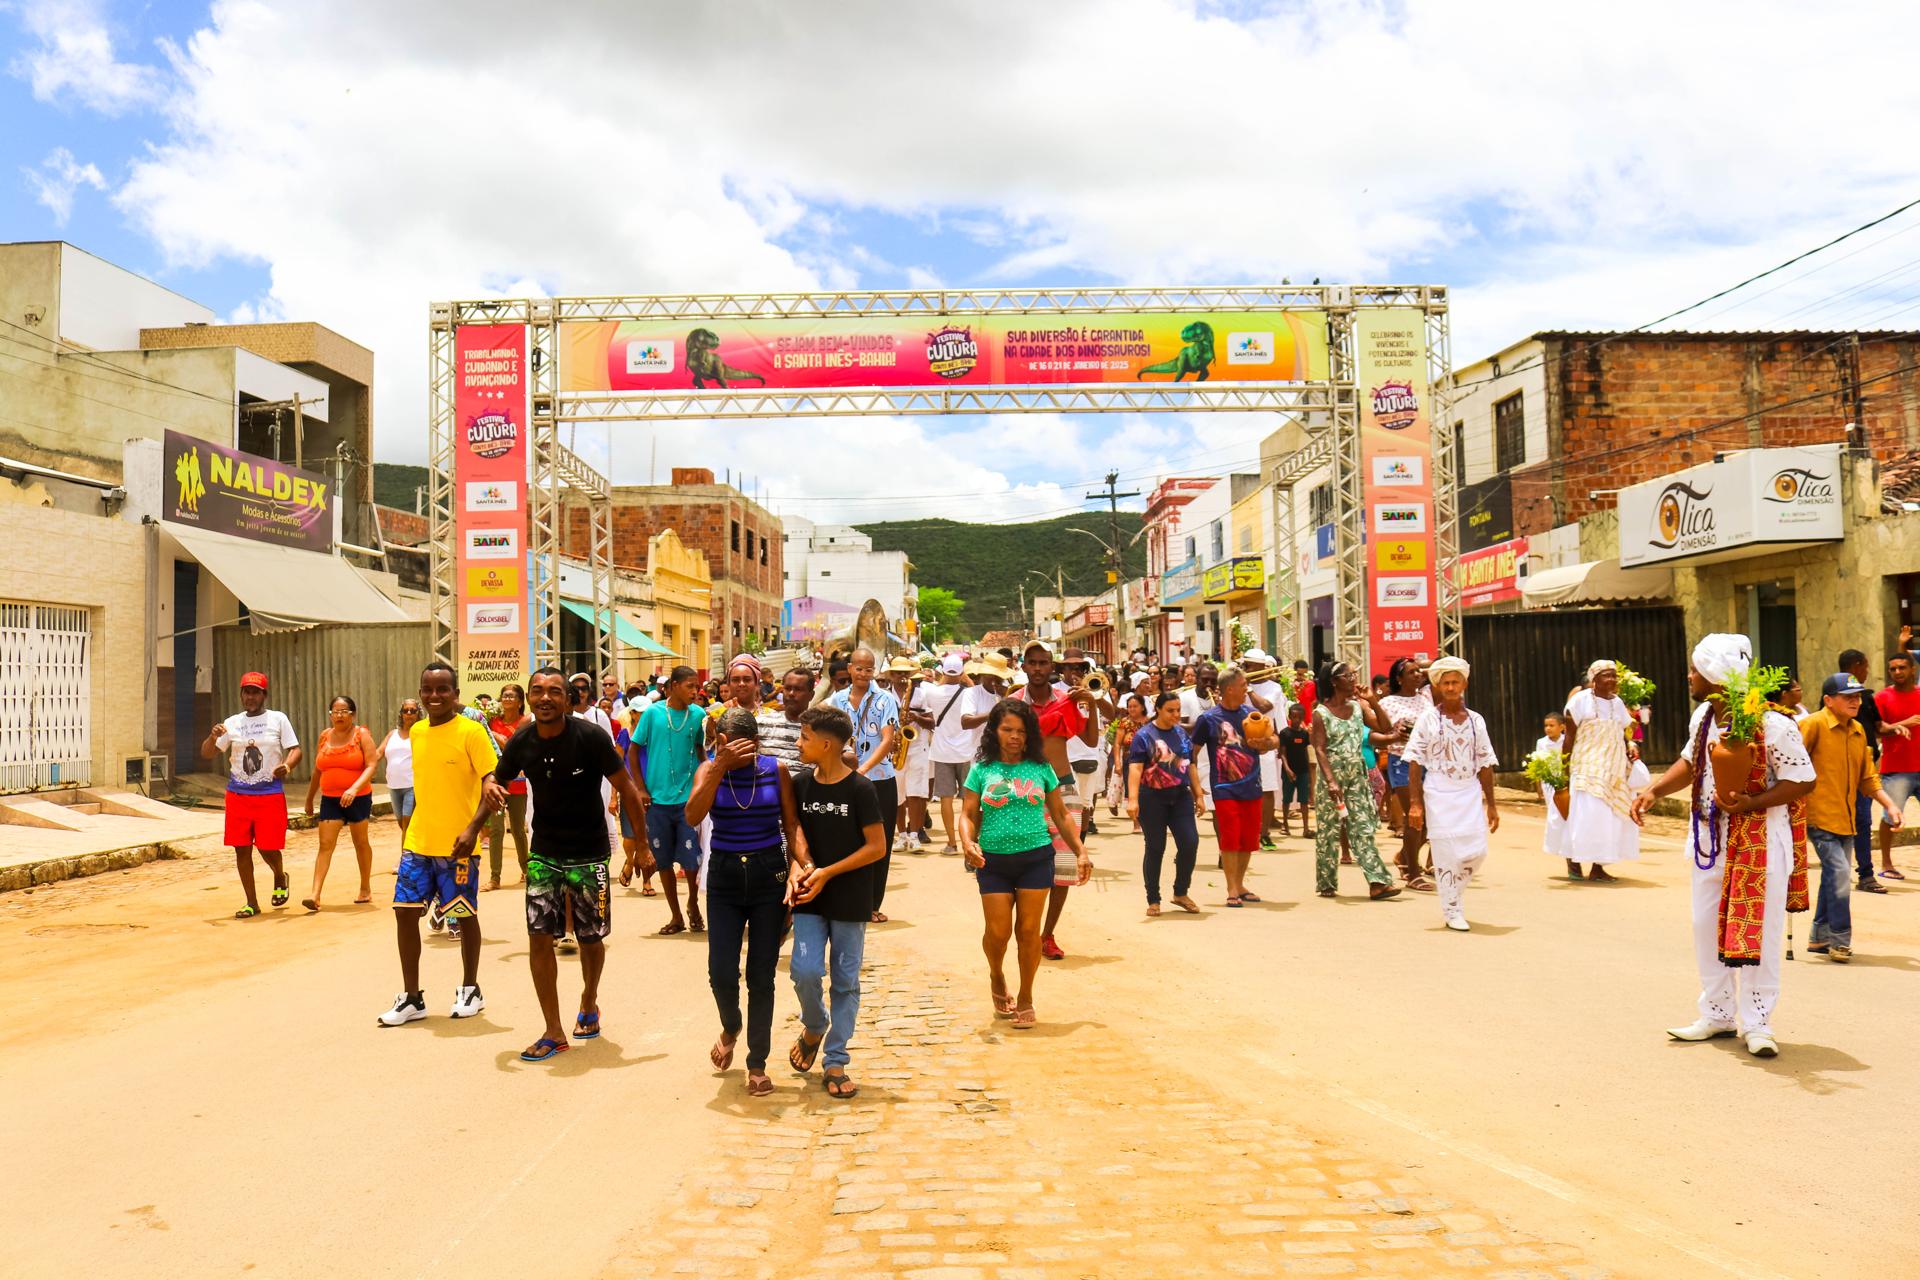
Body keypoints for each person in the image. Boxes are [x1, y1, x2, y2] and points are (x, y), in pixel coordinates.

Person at [1633, 634, 1816, 1059]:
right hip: (1709, 841)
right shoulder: (1703, 716)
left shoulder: (1773, 723)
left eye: (1695, 670)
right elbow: (1691, 761)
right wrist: (1654, 790)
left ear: (1716, 677)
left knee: (1761, 934)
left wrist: (1752, 802)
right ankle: (1717, 1014)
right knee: (1705, 928)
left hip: (1760, 844)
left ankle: (1758, 1022)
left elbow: (1804, 779)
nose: (1689, 676)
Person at [492, 668, 651, 1062]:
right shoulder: (522, 740)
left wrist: (643, 847)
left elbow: (628, 790)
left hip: (589, 853)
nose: (545, 698)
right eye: (537, 691)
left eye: (554, 692)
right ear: (529, 698)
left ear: (568, 699)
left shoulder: (590, 737)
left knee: (590, 938)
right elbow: (497, 781)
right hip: (544, 853)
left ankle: (589, 999)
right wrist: (478, 809)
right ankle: (553, 1030)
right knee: (538, 936)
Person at [685, 707, 801, 1097]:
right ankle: (731, 1025)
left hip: (769, 876)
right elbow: (692, 815)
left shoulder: (775, 770)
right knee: (720, 971)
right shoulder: (709, 770)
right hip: (725, 876)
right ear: (719, 741)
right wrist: (719, 767)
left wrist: (798, 868)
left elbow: (791, 824)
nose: (737, 752)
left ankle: (757, 1063)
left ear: (756, 743)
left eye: (745, 746)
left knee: (761, 976)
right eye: (728, 744)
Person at [378, 661, 501, 1027]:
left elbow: (490, 780)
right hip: (419, 840)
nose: (434, 696)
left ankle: (471, 989)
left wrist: (474, 828)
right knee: (404, 912)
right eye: (428, 690)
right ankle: (412, 998)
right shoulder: (416, 732)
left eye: (442, 689)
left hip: (459, 845)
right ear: (420, 694)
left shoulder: (471, 732)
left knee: (463, 914)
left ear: (455, 694)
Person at [962, 698, 1089, 1030]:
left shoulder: (1041, 768)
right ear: (994, 731)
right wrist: (967, 841)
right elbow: (968, 814)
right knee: (998, 932)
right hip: (993, 861)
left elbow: (1060, 814)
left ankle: (1027, 996)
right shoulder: (981, 769)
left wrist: (1080, 850)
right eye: (1007, 730)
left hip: (1036, 858)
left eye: (1020, 731)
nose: (1014, 737)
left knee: (1029, 931)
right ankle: (996, 974)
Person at [787, 706, 888, 1100]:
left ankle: (835, 1060)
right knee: (805, 970)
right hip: (809, 898)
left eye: (805, 737)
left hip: (850, 898)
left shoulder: (861, 790)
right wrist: (802, 868)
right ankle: (815, 1024)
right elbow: (794, 831)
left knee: (845, 981)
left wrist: (828, 872)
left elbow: (876, 847)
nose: (799, 744)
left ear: (826, 745)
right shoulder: (800, 784)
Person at [1800, 673, 1901, 964]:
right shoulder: (1812, 724)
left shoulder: (1858, 730)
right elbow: (1790, 765)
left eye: (1857, 696)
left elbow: (1867, 778)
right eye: (1848, 697)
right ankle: (1840, 940)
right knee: (1841, 874)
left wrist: (1890, 805)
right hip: (1818, 817)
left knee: (1834, 876)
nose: (1856, 701)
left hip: (1846, 819)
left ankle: (1819, 936)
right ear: (1829, 700)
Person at [1013, 641, 1100, 959]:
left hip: (1063, 788)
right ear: (1024, 666)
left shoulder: (1066, 701)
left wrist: (1091, 704)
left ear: (1052, 667)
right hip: (1024, 790)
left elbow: (1091, 739)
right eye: (1032, 662)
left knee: (1063, 870)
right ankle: (1026, 931)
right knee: (1022, 865)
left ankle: (1046, 935)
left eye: (1043, 663)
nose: (1038, 668)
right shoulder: (1013, 703)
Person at [1402, 657, 1500, 932]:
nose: (1450, 687)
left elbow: (1485, 763)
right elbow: (1414, 760)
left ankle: (1453, 890)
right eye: (1445, 682)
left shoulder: (1476, 720)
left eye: (1455, 682)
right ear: (1437, 686)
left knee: (1477, 852)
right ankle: (1452, 909)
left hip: (1469, 792)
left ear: (1464, 684)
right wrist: (1415, 803)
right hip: (1438, 792)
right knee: (1445, 854)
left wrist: (1492, 804)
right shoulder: (1428, 719)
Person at [202, 671, 300, 919]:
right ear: (241, 695)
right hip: (238, 795)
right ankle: (251, 902)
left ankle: (279, 876)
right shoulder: (232, 723)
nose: (251, 697)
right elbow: (208, 753)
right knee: (241, 849)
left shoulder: (278, 719)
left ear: (264, 695)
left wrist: (287, 766)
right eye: (247, 692)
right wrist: (213, 737)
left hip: (269, 794)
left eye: (256, 692)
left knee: (268, 847)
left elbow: (295, 749)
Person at [1309, 662, 1401, 900]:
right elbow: (1319, 749)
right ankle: (1326, 882)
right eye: (1347, 675)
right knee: (1329, 831)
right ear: (1334, 681)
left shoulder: (1357, 707)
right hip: (1332, 777)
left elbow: (1385, 727)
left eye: (1353, 675)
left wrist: (1372, 701)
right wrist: (1331, 781)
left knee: (1362, 827)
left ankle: (1378, 882)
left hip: (1357, 776)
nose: (1352, 679)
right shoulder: (1321, 713)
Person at [630, 666, 709, 935]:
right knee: (663, 861)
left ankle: (693, 904)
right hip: (657, 801)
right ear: (673, 686)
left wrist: (706, 781)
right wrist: (640, 789)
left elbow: (701, 750)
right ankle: (676, 916)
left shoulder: (699, 715)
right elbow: (633, 751)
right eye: (689, 686)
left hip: (688, 801)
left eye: (697, 686)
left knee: (691, 859)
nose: (695, 691)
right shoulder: (653, 714)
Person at [827, 647, 901, 922]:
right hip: (844, 780)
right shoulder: (837, 699)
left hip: (880, 780)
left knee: (880, 843)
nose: (863, 673)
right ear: (850, 668)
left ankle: (872, 904)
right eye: (859, 668)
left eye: (869, 669)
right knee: (847, 841)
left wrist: (864, 770)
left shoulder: (885, 699)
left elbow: (888, 739)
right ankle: (848, 901)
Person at [1561, 660, 1640, 882]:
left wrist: (1631, 744)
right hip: (1586, 765)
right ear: (1594, 679)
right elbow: (1569, 738)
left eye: (1614, 675)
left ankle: (1598, 867)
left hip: (1612, 768)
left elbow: (1623, 732)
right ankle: (1574, 861)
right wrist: (1564, 769)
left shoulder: (1618, 703)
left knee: (1608, 818)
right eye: (1606, 675)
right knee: (1585, 814)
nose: (1612, 680)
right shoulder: (1579, 701)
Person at [1192, 665, 1265, 906]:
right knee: (1230, 838)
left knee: (1248, 839)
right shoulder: (1208, 719)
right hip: (1224, 788)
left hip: (1252, 784)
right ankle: (1231, 887)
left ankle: (1241, 884)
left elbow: (1272, 739)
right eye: (1243, 685)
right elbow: (1192, 752)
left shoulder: (1251, 714)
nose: (1247, 689)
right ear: (1230, 689)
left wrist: (1266, 743)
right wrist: (1194, 784)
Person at [1126, 690, 1203, 915]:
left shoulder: (1182, 734)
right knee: (1155, 847)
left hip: (1180, 797)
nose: (1176, 715)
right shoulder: (1144, 736)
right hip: (1152, 798)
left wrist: (1198, 794)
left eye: (1178, 710)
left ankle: (1181, 892)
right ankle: (1153, 899)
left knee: (1190, 843)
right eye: (1170, 711)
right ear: (1158, 709)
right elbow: (1135, 768)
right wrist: (1133, 800)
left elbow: (1191, 765)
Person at [301, 694, 377, 910]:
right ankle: (315, 895)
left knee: (360, 842)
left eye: (344, 711)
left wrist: (354, 788)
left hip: (358, 798)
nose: (340, 715)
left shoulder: (362, 735)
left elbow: (371, 765)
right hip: (330, 799)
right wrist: (309, 798)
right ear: (330, 715)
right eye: (335, 712)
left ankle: (365, 888)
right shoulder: (325, 736)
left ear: (353, 714)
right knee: (325, 845)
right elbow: (318, 770)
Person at [927, 653, 997, 852]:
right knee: (970, 799)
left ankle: (951, 843)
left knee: (946, 798)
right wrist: (965, 678)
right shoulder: (969, 693)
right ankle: (971, 840)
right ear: (962, 672)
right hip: (966, 751)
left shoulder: (932, 692)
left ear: (943, 671)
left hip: (942, 751)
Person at [1379, 658, 1433, 889]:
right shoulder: (1388, 702)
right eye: (1411, 672)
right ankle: (1413, 874)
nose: (1417, 674)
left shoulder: (1426, 698)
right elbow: (1380, 730)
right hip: (1401, 760)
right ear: (1399, 678)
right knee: (1414, 817)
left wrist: (1425, 671)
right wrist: (1394, 734)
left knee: (1428, 823)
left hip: (1427, 762)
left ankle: (1403, 857)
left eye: (1419, 671)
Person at [1840, 649, 1891, 885]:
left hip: (1866, 768)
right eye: (1866, 667)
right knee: (1843, 823)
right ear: (1857, 666)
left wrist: (1899, 726)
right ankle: (1841, 871)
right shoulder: (1832, 695)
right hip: (1841, 772)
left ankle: (1865, 873)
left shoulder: (1867, 698)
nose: (1855, 702)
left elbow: (1878, 727)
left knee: (1862, 820)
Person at [1872, 651, 1920, 890]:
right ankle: (1887, 863)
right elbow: (1877, 730)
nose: (1897, 672)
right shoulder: (1882, 697)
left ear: (1913, 669)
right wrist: (1904, 724)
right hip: (1896, 769)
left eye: (1902, 667)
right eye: (1893, 669)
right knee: (1890, 818)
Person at [486, 684, 532, 891]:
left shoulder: (525, 722)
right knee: (496, 830)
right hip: (496, 782)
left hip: (517, 783)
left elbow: (514, 747)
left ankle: (527, 871)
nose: (507, 699)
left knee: (517, 829)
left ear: (520, 701)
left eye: (512, 696)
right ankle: (495, 877)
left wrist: (497, 737)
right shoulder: (491, 722)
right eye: (504, 695)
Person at [888, 658, 934, 852]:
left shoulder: (921, 694)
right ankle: (901, 836)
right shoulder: (885, 696)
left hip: (917, 747)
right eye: (898, 672)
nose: (902, 676)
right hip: (895, 750)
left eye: (905, 673)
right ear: (891, 675)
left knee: (916, 793)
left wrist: (916, 717)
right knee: (897, 795)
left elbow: (932, 722)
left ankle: (914, 835)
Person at [1244, 652, 1289, 849]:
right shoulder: (1241, 684)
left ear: (1261, 666)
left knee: (1267, 789)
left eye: (1250, 665)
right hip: (1243, 744)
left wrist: (1247, 689)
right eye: (1245, 665)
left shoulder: (1274, 688)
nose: (1246, 669)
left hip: (1265, 743)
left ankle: (1264, 833)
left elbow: (1264, 707)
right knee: (1245, 789)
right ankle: (1248, 832)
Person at [614, 703, 658, 897]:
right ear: (632, 714)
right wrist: (613, 797)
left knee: (648, 837)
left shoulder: (655, 734)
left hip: (653, 791)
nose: (644, 715)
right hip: (629, 792)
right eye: (640, 712)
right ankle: (630, 862)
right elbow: (615, 766)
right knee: (630, 837)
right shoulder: (625, 735)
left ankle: (647, 881)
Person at [757, 667, 816, 777]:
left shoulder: (820, 728)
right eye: (787, 688)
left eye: (798, 689)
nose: (791, 693)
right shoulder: (761, 723)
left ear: (811, 695)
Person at [1178, 660, 1218, 813]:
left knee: (1215, 806)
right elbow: (1177, 726)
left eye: (1213, 681)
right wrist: (1202, 725)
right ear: (1197, 679)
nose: (1209, 684)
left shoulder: (1219, 700)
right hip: (1191, 757)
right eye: (1205, 680)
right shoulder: (1185, 697)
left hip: (1212, 759)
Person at [381, 699, 422, 849]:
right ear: (401, 714)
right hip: (394, 786)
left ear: (418, 713)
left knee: (407, 823)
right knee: (402, 824)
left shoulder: (422, 734)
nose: (409, 713)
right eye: (406, 710)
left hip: (412, 785)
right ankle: (418, 850)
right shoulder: (392, 734)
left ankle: (406, 859)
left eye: (413, 710)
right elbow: (378, 753)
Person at [1276, 702, 1313, 838]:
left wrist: (1309, 772)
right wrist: (1287, 769)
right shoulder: (1284, 733)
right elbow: (1282, 754)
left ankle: (1306, 828)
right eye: (1294, 717)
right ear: (1290, 717)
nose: (1297, 720)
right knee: (1287, 799)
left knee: (1304, 801)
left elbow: (1306, 751)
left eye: (1300, 717)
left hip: (1303, 771)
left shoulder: (1304, 734)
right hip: (1289, 772)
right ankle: (1285, 824)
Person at [1537, 712, 1568, 862]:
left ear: (1562, 727)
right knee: (1553, 810)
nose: (1548, 728)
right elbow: (1539, 763)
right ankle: (1556, 841)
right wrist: (1538, 786)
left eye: (1552, 725)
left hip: (1564, 780)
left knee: (1565, 811)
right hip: (1548, 781)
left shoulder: (1566, 741)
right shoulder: (1541, 743)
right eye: (1546, 726)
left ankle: (1566, 841)